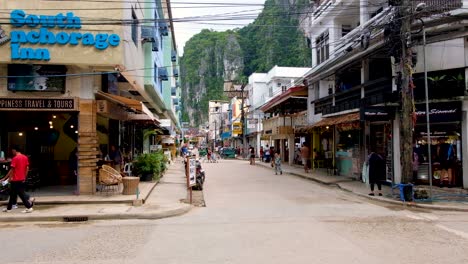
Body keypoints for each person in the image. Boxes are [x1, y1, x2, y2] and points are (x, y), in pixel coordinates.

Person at [2, 146, 35, 213]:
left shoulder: (15, 158)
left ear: (15, 150)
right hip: (21, 178)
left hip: (15, 179)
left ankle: (29, 207)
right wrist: (24, 177)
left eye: (12, 151)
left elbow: (12, 169)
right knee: (12, 194)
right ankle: (9, 208)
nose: (12, 152)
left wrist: (8, 178)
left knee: (20, 194)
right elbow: (27, 168)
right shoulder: (25, 157)